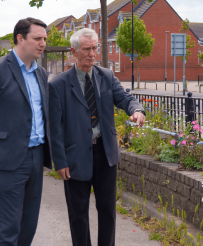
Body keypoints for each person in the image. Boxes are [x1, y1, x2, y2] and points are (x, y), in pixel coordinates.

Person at [49, 28, 145, 246]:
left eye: (95, 48)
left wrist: (136, 110)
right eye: (86, 49)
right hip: (75, 157)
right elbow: (54, 128)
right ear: (74, 51)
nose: (92, 54)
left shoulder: (107, 76)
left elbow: (124, 98)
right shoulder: (58, 85)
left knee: (107, 211)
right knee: (78, 214)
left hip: (105, 154)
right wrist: (60, 161)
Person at [0, 17, 51, 246]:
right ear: (20, 38)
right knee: (8, 227)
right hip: (5, 160)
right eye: (37, 38)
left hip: (36, 156)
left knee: (28, 225)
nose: (42, 43)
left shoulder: (41, 73)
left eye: (44, 39)